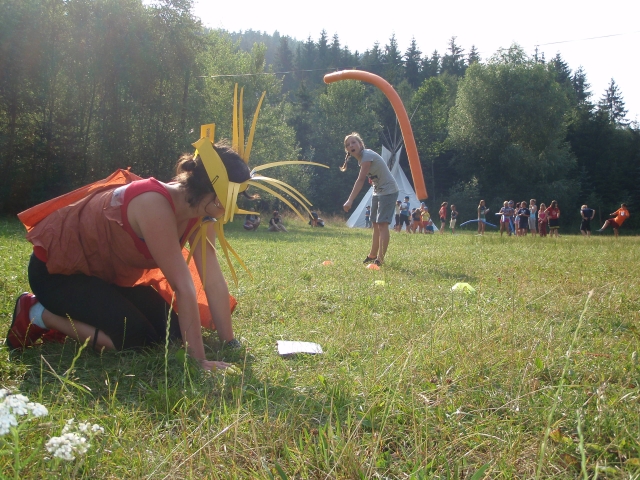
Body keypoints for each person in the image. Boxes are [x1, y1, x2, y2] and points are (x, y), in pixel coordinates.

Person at [7, 143, 253, 371]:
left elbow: (211, 278)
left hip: (102, 278)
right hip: (57, 274)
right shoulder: (153, 203)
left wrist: (229, 342)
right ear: (212, 190)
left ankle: (77, 319)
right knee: (133, 339)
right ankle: (37, 313)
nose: (230, 208)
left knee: (172, 334)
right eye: (230, 198)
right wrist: (198, 362)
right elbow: (183, 285)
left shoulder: (200, 212)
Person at [341, 132, 399, 266]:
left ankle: (380, 259)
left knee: (382, 224)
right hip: (377, 191)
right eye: (348, 145)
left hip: (388, 191)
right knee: (375, 224)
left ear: (360, 144)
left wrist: (350, 200)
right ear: (347, 150)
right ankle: (372, 255)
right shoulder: (362, 159)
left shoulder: (366, 155)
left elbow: (360, 179)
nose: (351, 145)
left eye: (354, 142)